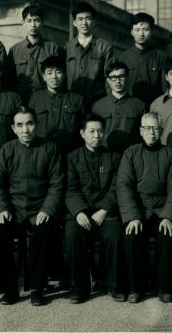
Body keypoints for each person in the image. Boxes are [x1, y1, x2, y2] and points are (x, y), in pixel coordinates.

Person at [0, 109, 66, 306]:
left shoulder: (49, 148)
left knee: (44, 233)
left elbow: (57, 183)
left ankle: (37, 288)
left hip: (40, 208)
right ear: (13, 128)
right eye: (20, 125)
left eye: (29, 124)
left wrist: (47, 209)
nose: (25, 130)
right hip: (13, 210)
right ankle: (10, 289)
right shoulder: (6, 150)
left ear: (36, 125)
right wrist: (2, 209)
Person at [115, 113, 172, 303]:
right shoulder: (131, 153)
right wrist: (133, 216)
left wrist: (168, 216)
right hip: (139, 210)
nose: (151, 132)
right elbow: (124, 186)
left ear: (161, 131)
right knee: (132, 236)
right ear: (141, 131)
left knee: (167, 235)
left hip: (162, 210)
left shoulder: (171, 154)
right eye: (147, 128)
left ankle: (164, 287)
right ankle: (135, 288)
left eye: (155, 128)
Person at [62, 116, 123, 303]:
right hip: (81, 211)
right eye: (92, 131)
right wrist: (79, 212)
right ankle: (80, 287)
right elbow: (70, 189)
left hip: (106, 211)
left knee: (115, 235)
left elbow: (117, 187)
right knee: (72, 235)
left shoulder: (114, 157)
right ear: (82, 134)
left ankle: (114, 284)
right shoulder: (72, 158)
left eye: (100, 131)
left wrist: (104, 210)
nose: (97, 135)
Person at [29, 56, 86, 153]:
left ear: (64, 74)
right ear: (43, 76)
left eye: (58, 72)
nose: (54, 77)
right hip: (41, 152)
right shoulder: (35, 98)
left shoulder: (77, 99)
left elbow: (84, 129)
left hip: (70, 152)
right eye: (49, 73)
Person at [92, 62, 147, 152]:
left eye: (121, 76)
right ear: (108, 80)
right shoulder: (98, 106)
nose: (117, 81)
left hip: (131, 154)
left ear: (127, 78)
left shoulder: (140, 105)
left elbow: (144, 135)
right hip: (105, 154)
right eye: (113, 77)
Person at [65, 3, 115, 100]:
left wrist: (109, 102)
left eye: (87, 18)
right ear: (74, 23)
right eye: (80, 19)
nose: (84, 23)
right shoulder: (67, 48)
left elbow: (110, 78)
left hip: (97, 101)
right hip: (72, 101)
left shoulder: (104, 47)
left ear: (93, 22)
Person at [11, 5, 64, 99]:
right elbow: (9, 80)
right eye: (29, 21)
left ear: (42, 22)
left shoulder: (53, 48)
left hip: (46, 100)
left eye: (37, 20)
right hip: (21, 101)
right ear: (23, 23)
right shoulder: (14, 50)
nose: (33, 25)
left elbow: (60, 77)